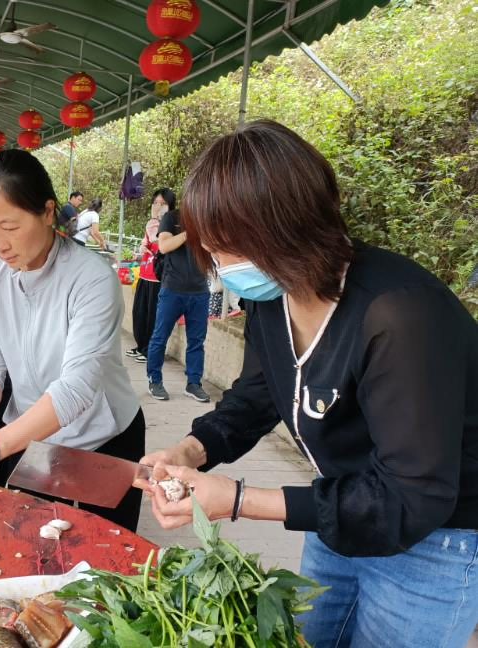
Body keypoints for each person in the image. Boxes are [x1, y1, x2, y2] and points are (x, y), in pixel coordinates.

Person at [138, 120, 478, 648]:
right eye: (214, 250)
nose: (224, 267)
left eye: (232, 249)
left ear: (290, 226)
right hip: (337, 513)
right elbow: (257, 395)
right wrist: (190, 450)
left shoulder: (399, 314)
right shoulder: (275, 297)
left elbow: (413, 494)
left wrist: (239, 499)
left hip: (433, 541)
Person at [0, 150, 145, 531]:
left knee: (101, 549)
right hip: (32, 437)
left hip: (104, 437)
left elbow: (76, 388)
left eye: (9, 227)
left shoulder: (92, 278)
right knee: (27, 541)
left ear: (48, 212)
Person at [146, 200, 211, 403]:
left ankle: (194, 383)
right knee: (160, 337)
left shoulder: (208, 218)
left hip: (200, 290)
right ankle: (155, 380)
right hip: (173, 289)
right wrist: (188, 233)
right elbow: (164, 246)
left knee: (196, 341)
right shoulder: (172, 218)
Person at [127, 189, 173, 363]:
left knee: (154, 316)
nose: (158, 207)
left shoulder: (171, 225)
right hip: (145, 274)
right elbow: (147, 242)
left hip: (159, 278)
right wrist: (141, 250)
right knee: (140, 314)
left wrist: (155, 221)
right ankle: (141, 346)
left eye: (163, 204)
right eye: (155, 203)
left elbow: (158, 241)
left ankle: (151, 351)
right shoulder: (152, 223)